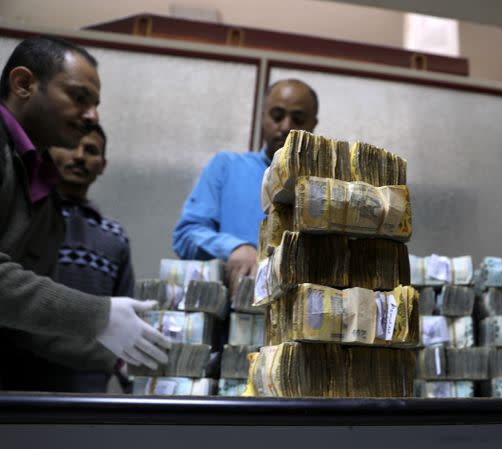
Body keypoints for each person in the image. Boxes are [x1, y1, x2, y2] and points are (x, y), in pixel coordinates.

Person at [0, 36, 169, 390]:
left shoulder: (43, 190)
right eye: (79, 98)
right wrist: (98, 314)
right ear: (23, 84)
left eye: (95, 104)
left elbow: (26, 322)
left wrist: (120, 355)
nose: (92, 117)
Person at [172, 79, 319, 296]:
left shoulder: (324, 190)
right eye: (277, 116)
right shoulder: (226, 167)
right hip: (231, 322)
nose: (286, 126)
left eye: (298, 119)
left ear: (313, 124)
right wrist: (234, 248)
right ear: (262, 116)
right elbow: (186, 234)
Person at [19, 124, 135, 392]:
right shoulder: (27, 218)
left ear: (102, 165)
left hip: (88, 392)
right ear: (49, 152)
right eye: (70, 146)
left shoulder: (114, 236)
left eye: (91, 150)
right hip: (21, 387)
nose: (80, 156)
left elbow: (125, 315)